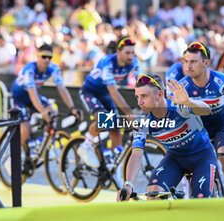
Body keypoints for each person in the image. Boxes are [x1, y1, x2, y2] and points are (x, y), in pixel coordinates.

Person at [117, 74, 216, 201]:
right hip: (175, 159)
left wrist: (188, 102)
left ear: (159, 95)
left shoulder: (178, 106)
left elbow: (207, 110)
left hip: (202, 156)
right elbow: (136, 154)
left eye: (144, 96)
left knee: (200, 203)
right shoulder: (142, 121)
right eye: (137, 97)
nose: (139, 102)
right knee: (153, 195)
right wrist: (128, 185)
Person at [179, 42, 224, 198]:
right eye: (186, 61)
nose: (188, 66)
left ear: (206, 63)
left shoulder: (222, 81)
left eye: (193, 62)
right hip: (197, 127)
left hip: (220, 125)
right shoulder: (183, 85)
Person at [11, 43, 82, 175]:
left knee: (53, 113)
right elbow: (32, 94)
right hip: (19, 96)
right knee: (25, 129)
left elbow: (62, 88)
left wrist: (72, 108)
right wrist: (43, 112)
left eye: (50, 57)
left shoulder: (53, 68)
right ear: (38, 56)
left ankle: (39, 143)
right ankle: (13, 154)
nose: (47, 60)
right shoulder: (29, 69)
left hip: (34, 95)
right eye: (43, 57)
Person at [77, 37, 140, 170]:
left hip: (105, 94)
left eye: (132, 53)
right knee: (104, 118)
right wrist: (129, 112)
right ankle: (85, 146)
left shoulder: (134, 62)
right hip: (90, 91)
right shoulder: (107, 62)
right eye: (127, 53)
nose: (131, 56)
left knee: (116, 129)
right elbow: (113, 91)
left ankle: (111, 166)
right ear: (118, 52)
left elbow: (141, 84)